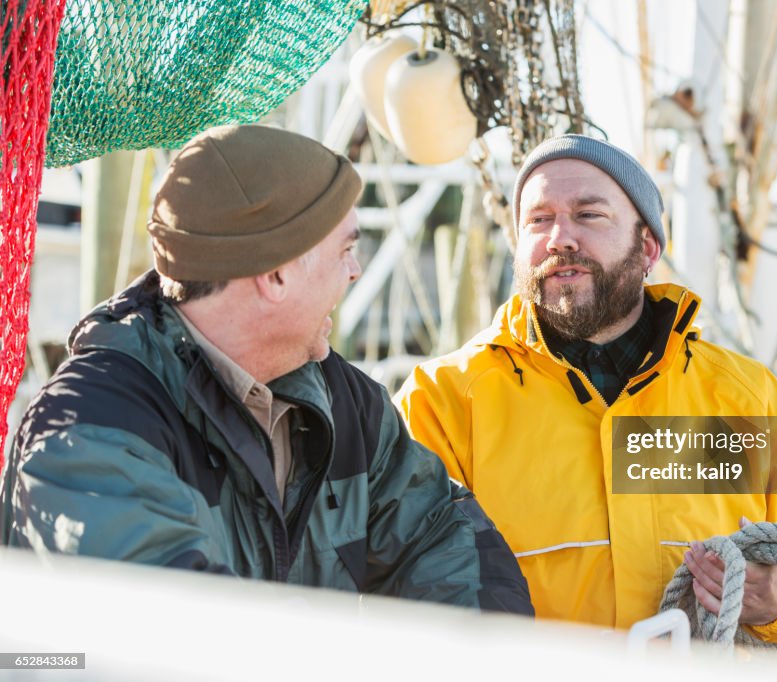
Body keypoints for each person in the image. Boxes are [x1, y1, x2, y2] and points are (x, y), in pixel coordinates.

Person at [0, 124, 532, 616]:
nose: (355, 270)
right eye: (346, 248)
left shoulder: (344, 402)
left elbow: (439, 532)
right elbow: (168, 638)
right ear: (275, 274)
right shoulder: (90, 430)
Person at [396, 134, 777, 638]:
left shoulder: (746, 398)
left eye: (588, 215)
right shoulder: (443, 400)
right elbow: (394, 583)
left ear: (647, 246)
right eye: (538, 219)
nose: (560, 238)